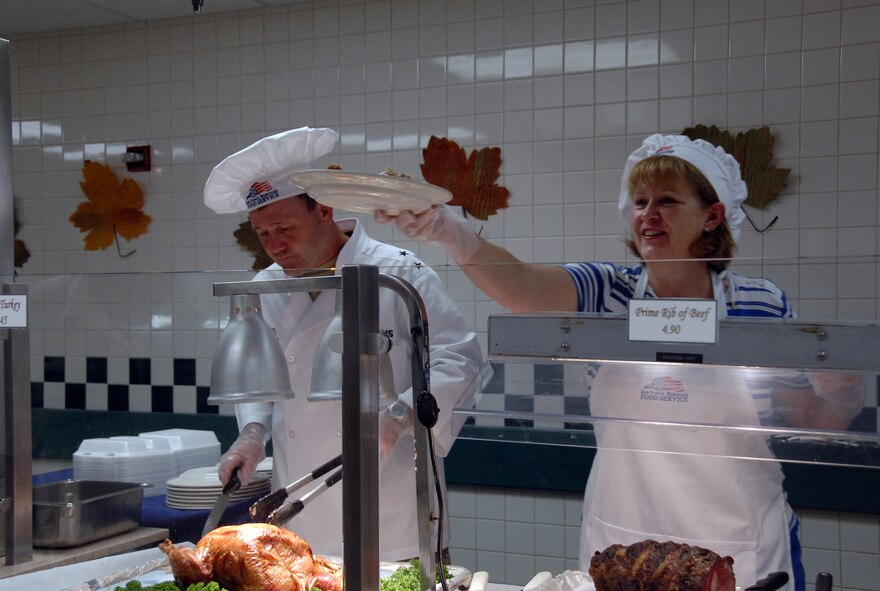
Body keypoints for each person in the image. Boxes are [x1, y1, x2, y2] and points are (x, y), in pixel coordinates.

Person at [376, 134, 865, 591]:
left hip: (739, 546)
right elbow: (521, 286)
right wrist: (449, 231)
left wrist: (840, 387)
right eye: (640, 201)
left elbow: (809, 419)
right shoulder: (606, 291)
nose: (648, 214)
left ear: (712, 215)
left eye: (667, 201)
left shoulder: (760, 304)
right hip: (625, 546)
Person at [203, 126, 485, 562]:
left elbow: (460, 358)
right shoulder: (265, 288)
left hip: (390, 511)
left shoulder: (398, 273)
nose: (275, 246)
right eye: (263, 234)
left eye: (285, 228)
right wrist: (253, 433)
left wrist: (400, 412)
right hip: (300, 516)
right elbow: (263, 380)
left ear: (325, 210)